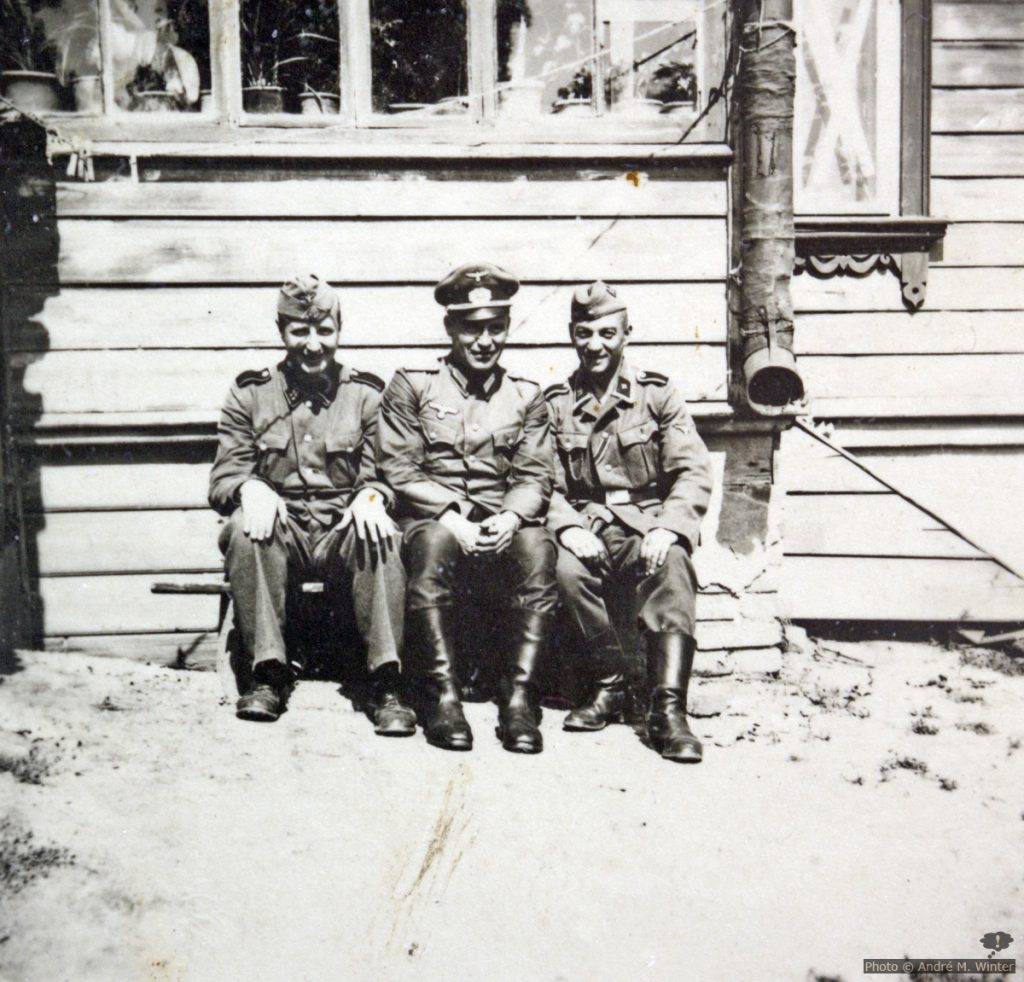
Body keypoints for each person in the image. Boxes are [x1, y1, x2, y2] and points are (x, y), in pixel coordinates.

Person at [208, 274, 415, 735]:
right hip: (284, 532)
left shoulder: (365, 395)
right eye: (300, 331)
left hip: (342, 529)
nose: (313, 344)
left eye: (325, 330)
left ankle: (385, 684)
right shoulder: (249, 393)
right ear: (281, 331)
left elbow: (387, 470)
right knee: (246, 527)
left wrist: (371, 494)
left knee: (380, 531)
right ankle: (268, 677)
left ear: (340, 330)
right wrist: (249, 487)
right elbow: (223, 475)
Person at [376, 262, 557, 754]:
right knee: (434, 544)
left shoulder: (526, 395)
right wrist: (452, 513)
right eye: (472, 328)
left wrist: (512, 516)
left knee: (538, 547)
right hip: (433, 519)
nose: (484, 341)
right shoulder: (413, 385)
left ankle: (519, 698)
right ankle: (443, 695)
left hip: (501, 519)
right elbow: (400, 467)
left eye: (495, 328)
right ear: (451, 328)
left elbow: (536, 474)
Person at [545, 281, 713, 763]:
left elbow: (692, 470)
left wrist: (669, 527)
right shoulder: (557, 403)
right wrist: (569, 527)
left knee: (674, 564)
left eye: (606, 333)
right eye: (583, 333)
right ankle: (610, 686)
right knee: (564, 571)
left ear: (626, 334)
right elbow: (544, 483)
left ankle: (668, 711)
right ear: (572, 336)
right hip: (589, 522)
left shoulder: (658, 395)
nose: (594, 344)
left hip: (647, 521)